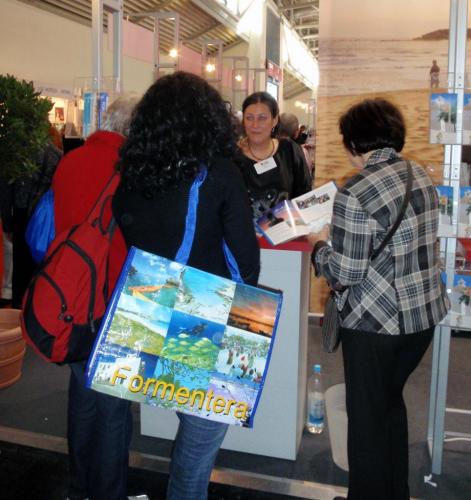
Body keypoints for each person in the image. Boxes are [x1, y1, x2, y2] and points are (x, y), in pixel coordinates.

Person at [113, 71, 260, 500]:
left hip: (146, 311)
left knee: (184, 423)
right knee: (200, 441)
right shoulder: (220, 174)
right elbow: (246, 263)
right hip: (203, 319)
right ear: (208, 119)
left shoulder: (133, 174)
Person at [308, 98, 449, 500]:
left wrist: (319, 246)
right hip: (421, 319)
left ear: (354, 142)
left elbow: (346, 273)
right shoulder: (419, 174)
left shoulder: (355, 192)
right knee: (390, 405)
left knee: (367, 423)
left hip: (376, 325)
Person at [52, 94, 142, 500]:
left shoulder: (70, 161)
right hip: (114, 298)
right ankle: (109, 492)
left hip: (71, 297)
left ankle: (79, 487)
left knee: (83, 395)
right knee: (113, 406)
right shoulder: (131, 169)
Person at [0, 124, 62, 308]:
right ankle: (37, 308)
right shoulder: (56, 154)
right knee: (42, 265)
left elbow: (5, 191)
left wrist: (7, 222)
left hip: (21, 214)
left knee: (20, 268)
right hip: (45, 216)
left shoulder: (17, 154)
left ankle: (18, 308)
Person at [234, 92, 312, 218]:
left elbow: (304, 194)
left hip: (287, 228)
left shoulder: (289, 150)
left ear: (274, 120)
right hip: (243, 229)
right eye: (249, 118)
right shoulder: (231, 156)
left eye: (262, 118)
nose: (255, 125)